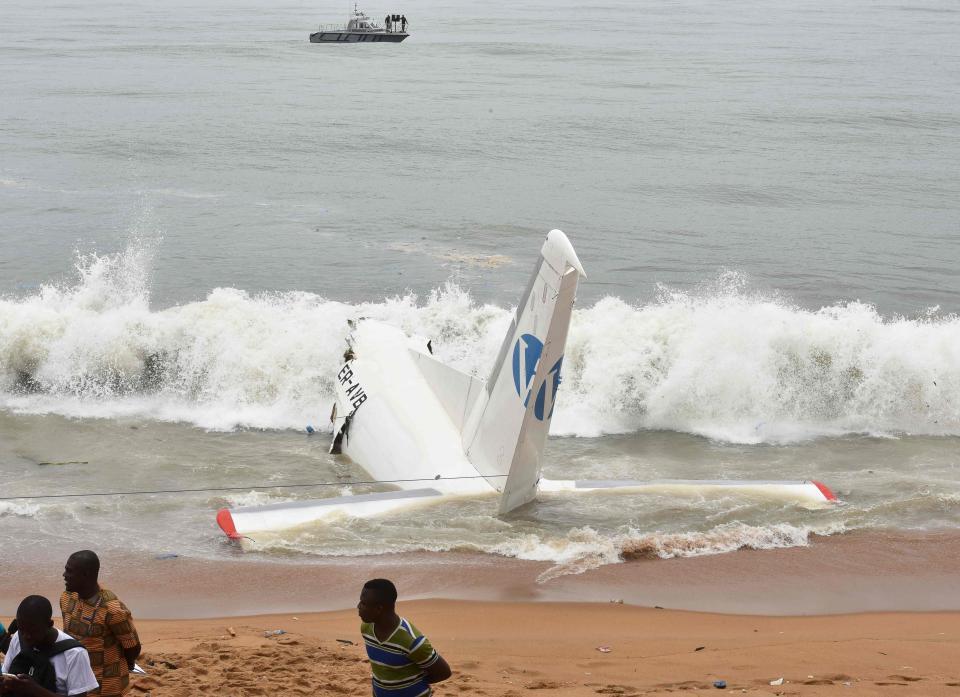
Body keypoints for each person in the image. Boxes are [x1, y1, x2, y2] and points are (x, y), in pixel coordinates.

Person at [60, 552, 140, 697]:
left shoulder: (112, 609)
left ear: (85, 574)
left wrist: (126, 665)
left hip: (107, 685)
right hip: (76, 680)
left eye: (69, 571)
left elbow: (133, 647)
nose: (64, 575)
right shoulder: (67, 597)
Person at [357, 579, 451, 697]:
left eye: (363, 603)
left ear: (379, 609)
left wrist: (413, 684)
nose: (358, 606)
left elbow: (443, 672)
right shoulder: (366, 628)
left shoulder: (412, 641)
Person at [1, 595, 99, 697]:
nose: (26, 636)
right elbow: (6, 673)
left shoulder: (74, 653)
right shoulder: (18, 637)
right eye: (21, 629)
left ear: (50, 624)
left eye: (33, 631)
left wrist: (35, 690)